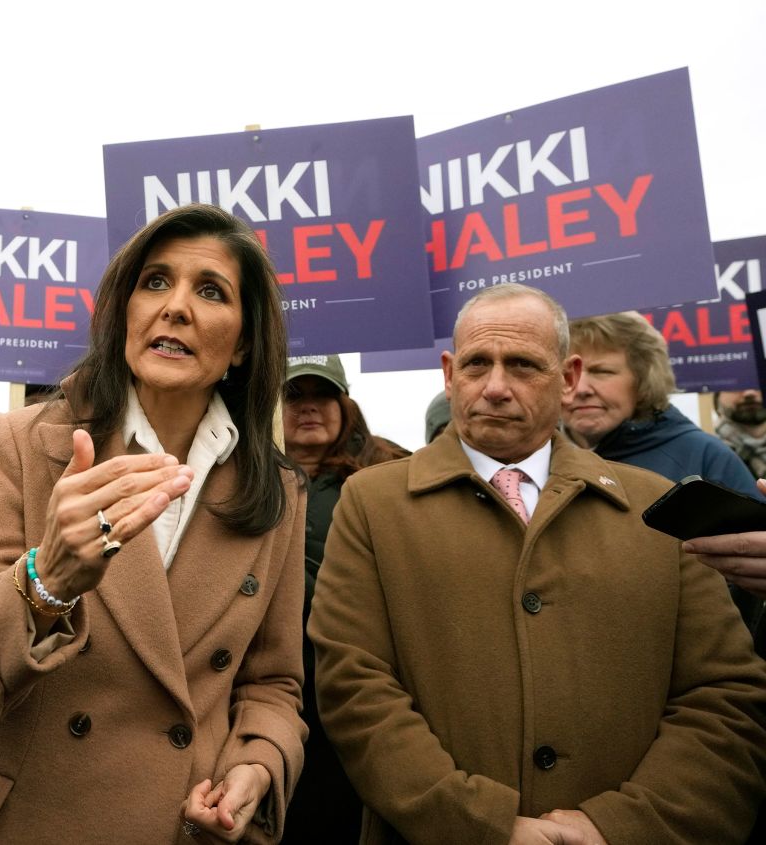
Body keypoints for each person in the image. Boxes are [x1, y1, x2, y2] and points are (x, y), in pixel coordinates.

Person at [309, 284, 766, 844]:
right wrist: (482, 825)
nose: (495, 387)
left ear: (569, 377)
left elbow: (722, 697)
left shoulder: (658, 507)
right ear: (449, 374)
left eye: (523, 365)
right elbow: (355, 688)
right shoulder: (373, 504)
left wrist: (619, 826)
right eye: (477, 364)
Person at [0, 203, 307, 843]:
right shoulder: (24, 442)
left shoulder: (277, 490)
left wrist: (257, 765)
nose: (175, 307)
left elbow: (273, 684)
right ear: (123, 312)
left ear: (242, 344)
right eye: (155, 281)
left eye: (210, 291)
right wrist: (47, 582)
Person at [279, 355, 408, 844]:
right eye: (295, 396)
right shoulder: (242, 479)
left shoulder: (392, 469)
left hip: (367, 687)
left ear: (344, 403)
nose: (310, 408)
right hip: (278, 691)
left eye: (323, 395)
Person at [562, 312, 757, 494]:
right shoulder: (537, 456)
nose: (580, 389)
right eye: (567, 374)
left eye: (602, 371)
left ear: (644, 380)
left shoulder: (704, 457)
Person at [715, 389, 766, 480]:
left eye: (759, 382)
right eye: (737, 385)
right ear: (718, 396)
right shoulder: (705, 458)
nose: (750, 393)